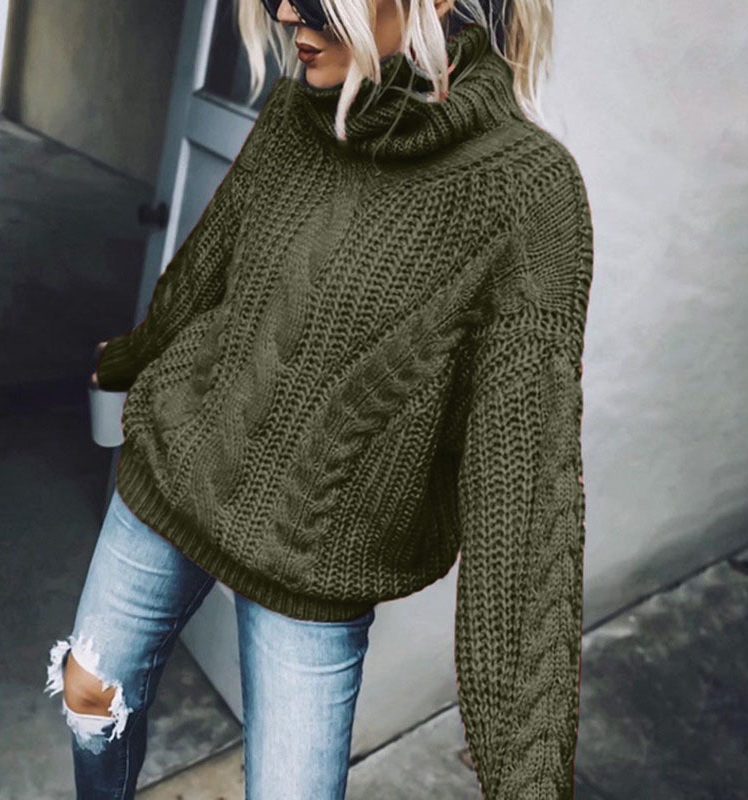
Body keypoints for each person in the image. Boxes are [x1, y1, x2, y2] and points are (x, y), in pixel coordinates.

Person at [44, 0, 594, 797]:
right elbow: (205, 272)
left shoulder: (528, 194)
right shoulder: (297, 108)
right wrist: (129, 359)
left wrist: (529, 779)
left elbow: (524, 502)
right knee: (90, 695)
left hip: (315, 560)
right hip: (178, 466)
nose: (285, 14)